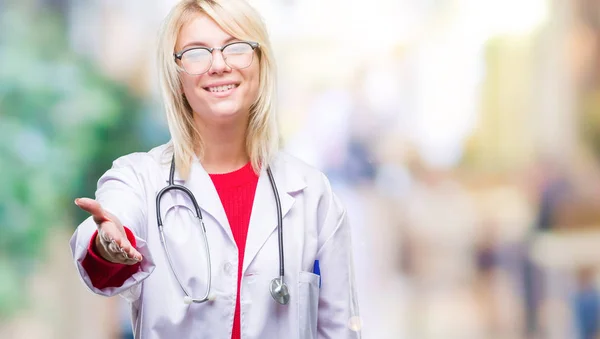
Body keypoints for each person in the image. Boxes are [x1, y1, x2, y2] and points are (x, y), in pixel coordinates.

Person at [69, 1, 361, 338]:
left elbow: (340, 329)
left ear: (261, 64)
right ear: (176, 76)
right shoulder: (138, 179)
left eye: (236, 48)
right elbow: (104, 243)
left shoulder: (311, 193)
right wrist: (108, 244)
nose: (219, 64)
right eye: (196, 53)